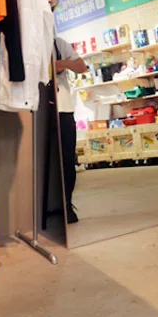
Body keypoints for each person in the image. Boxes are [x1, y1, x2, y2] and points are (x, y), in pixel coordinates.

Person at [53, 36, 89, 224]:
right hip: (39, 109)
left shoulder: (58, 43)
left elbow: (82, 66)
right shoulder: (27, 40)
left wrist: (61, 63)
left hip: (64, 109)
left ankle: (67, 203)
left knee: (67, 160)